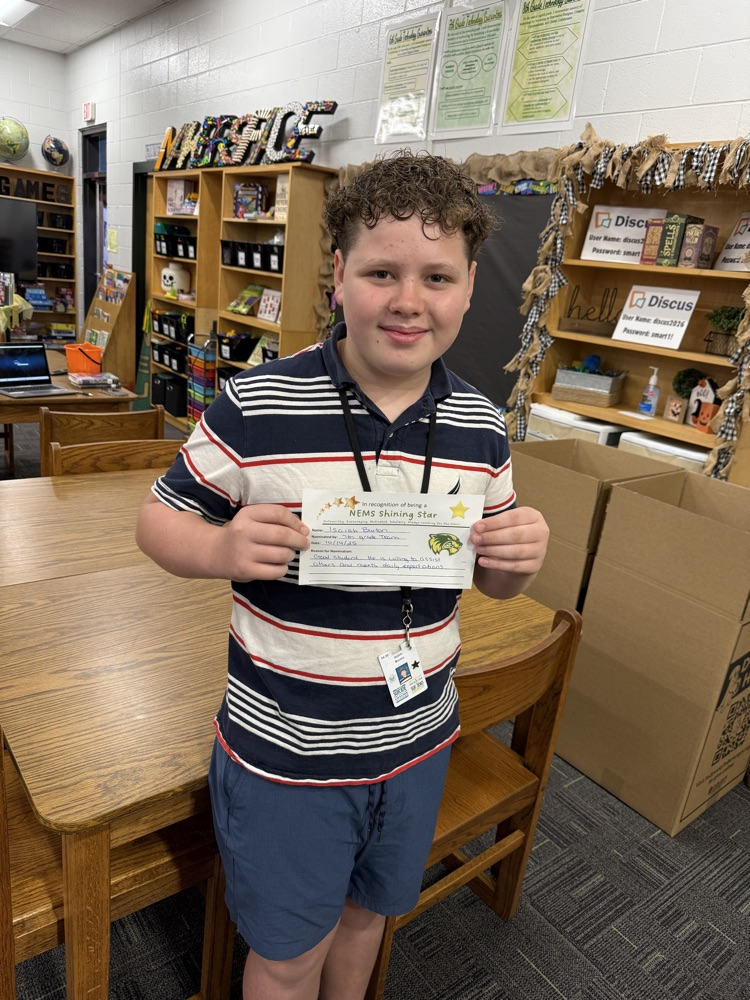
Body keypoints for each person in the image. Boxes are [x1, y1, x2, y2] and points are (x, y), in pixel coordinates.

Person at [135, 150, 549, 1000]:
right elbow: (158, 519)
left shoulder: (482, 427)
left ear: (470, 287)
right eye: (381, 271)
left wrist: (514, 563)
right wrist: (217, 550)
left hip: (417, 740)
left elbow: (491, 581)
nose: (408, 299)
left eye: (438, 276)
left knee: (366, 923)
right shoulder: (258, 405)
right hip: (288, 752)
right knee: (288, 955)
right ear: (338, 278)